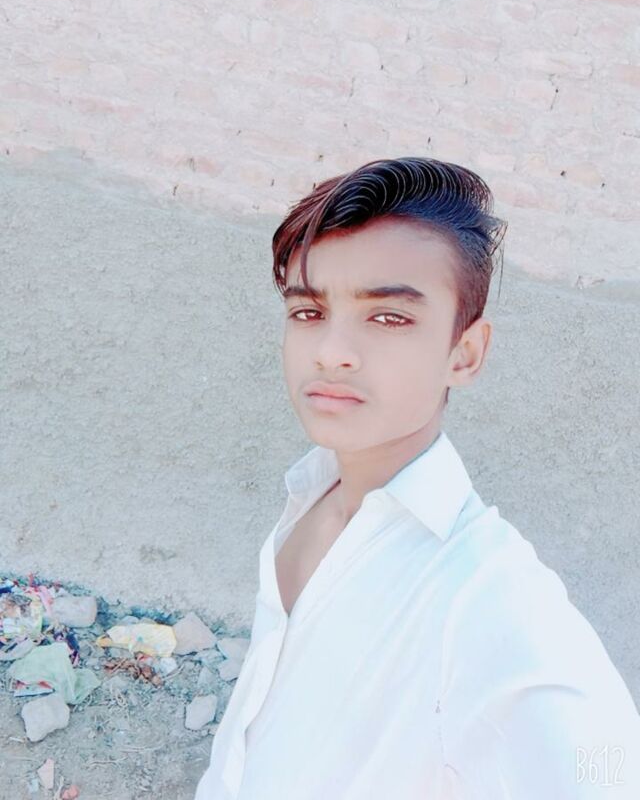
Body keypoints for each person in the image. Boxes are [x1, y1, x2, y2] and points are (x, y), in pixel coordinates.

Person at [194, 156, 640, 799]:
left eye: (388, 317)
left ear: (465, 353)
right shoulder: (315, 492)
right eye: (309, 312)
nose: (331, 351)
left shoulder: (488, 598)